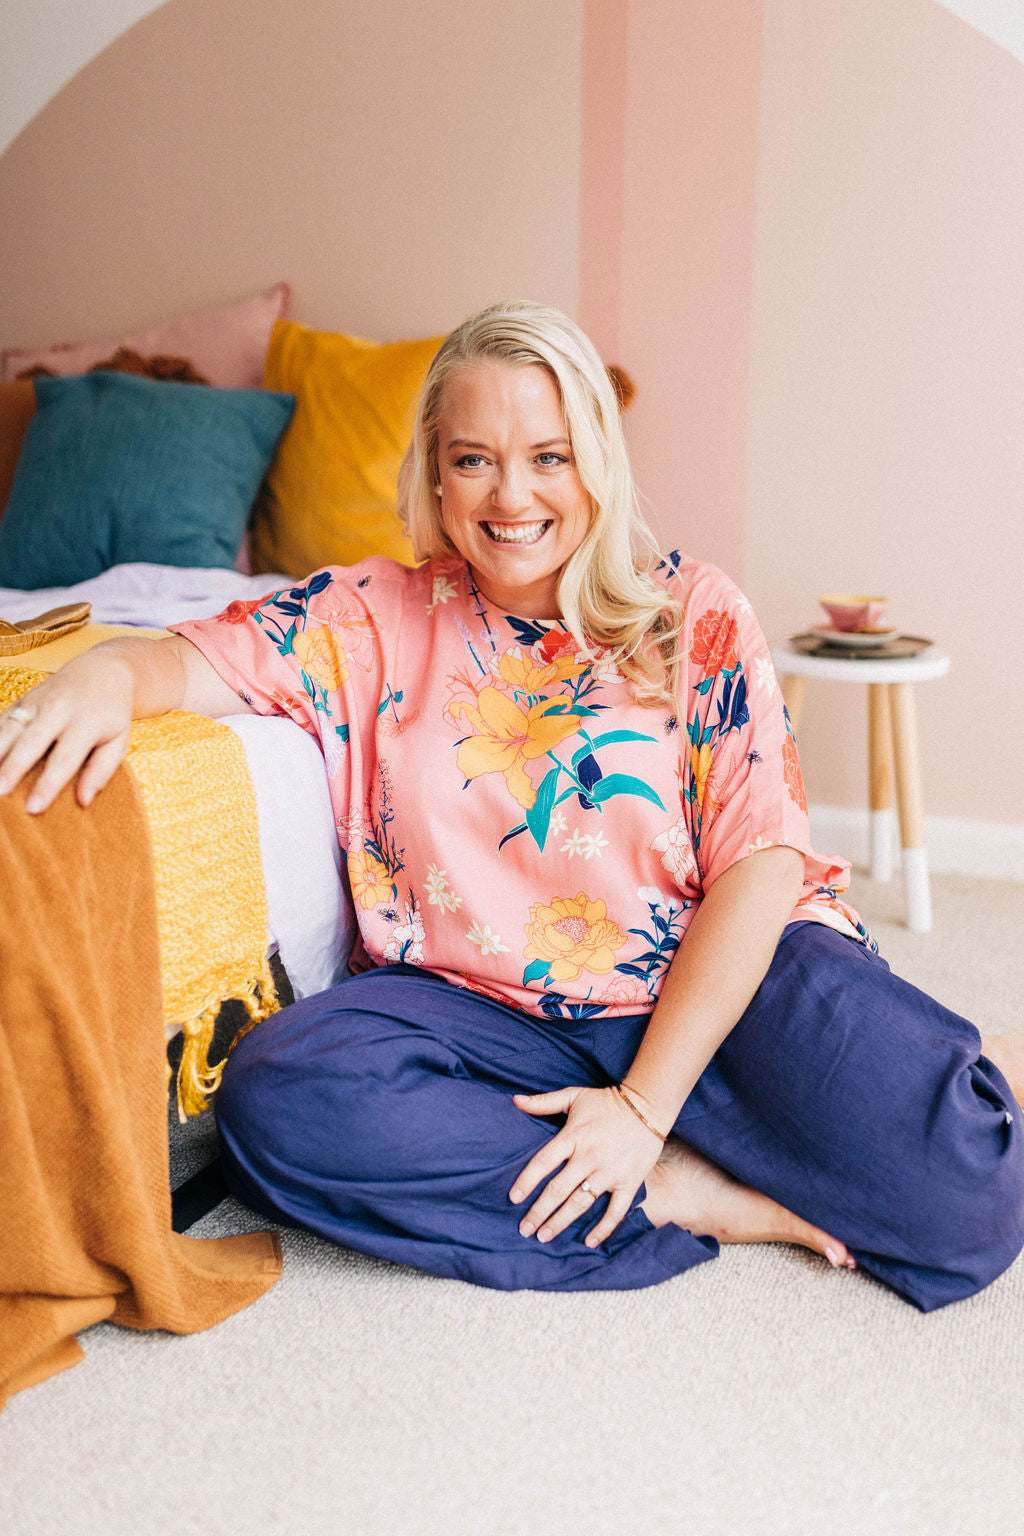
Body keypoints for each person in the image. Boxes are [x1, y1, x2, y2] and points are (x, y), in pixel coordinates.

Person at [2, 300, 1022, 1310]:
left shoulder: (692, 611)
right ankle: (680, 1193)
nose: (511, 494)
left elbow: (759, 865)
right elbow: (191, 656)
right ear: (435, 476)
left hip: (716, 970)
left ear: (596, 465)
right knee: (282, 1098)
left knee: (968, 1197)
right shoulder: (366, 616)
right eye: (473, 458)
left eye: (548, 455)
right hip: (479, 1014)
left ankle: (889, 1077)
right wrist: (102, 678)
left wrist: (642, 1100)